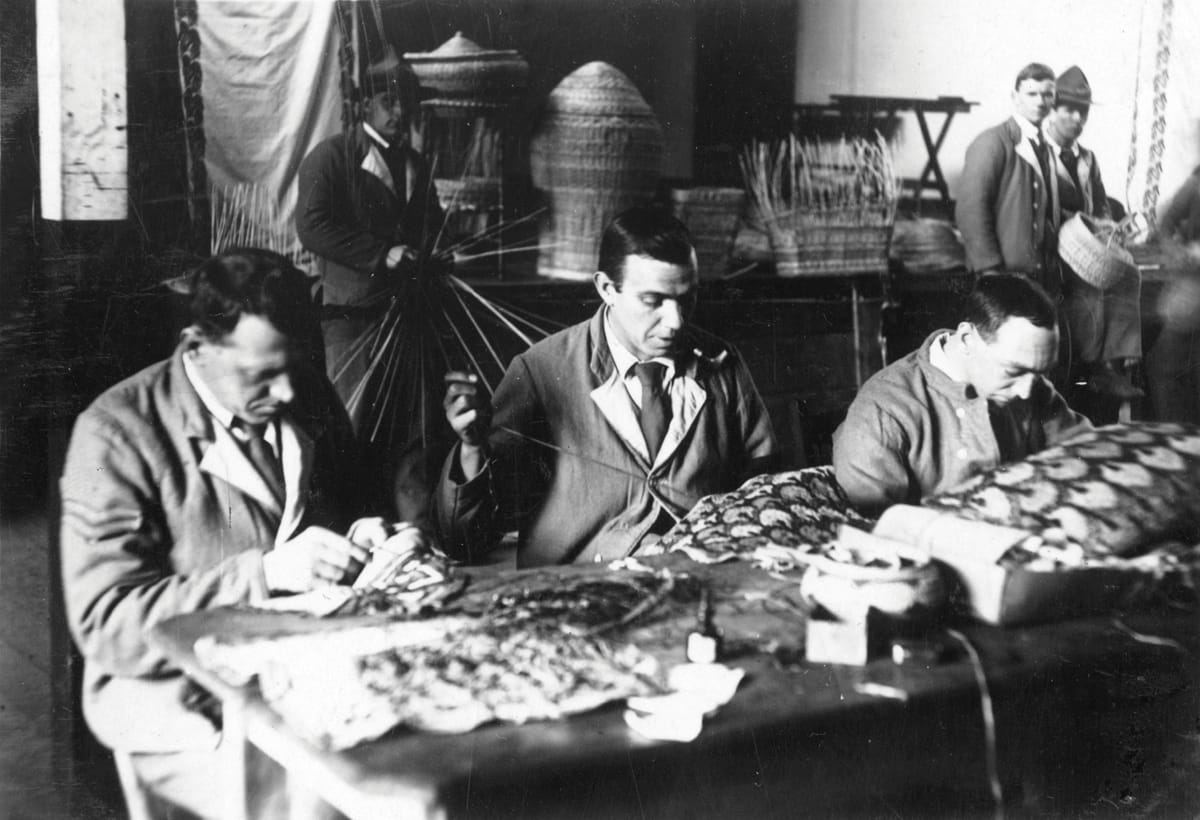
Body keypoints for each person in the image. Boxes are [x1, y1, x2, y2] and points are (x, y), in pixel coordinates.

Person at [59, 249, 407, 818]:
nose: (289, 394)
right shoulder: (117, 432)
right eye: (261, 376)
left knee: (418, 779)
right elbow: (105, 622)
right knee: (317, 803)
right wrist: (264, 574)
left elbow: (352, 512)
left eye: (292, 369)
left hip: (305, 676)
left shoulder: (306, 394)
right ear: (197, 346)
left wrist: (371, 538)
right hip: (182, 699)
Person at [436, 206, 779, 566]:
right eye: (653, 301)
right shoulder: (539, 370)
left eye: (687, 298)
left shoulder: (722, 364)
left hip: (696, 576)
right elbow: (461, 542)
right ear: (606, 288)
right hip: (579, 586)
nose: (675, 322)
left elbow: (765, 491)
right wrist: (472, 448)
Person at [295, 51, 446, 522]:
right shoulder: (333, 156)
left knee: (410, 423)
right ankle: (348, 527)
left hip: (408, 313)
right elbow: (312, 225)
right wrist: (382, 253)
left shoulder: (417, 165)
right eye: (388, 101)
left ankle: (409, 526)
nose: (399, 112)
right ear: (364, 106)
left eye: (407, 103)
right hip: (354, 317)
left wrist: (441, 248)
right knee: (353, 422)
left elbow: (430, 222)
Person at [832, 273, 1091, 515]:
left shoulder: (1033, 388)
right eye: (1013, 372)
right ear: (967, 338)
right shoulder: (882, 413)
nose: (1027, 392)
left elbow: (1090, 458)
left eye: (1040, 373)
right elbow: (874, 535)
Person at [1043, 65, 1142, 399]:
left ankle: (1114, 363)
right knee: (1091, 286)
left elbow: (1100, 206)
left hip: (1084, 244)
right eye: (1069, 109)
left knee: (1128, 274)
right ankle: (1093, 368)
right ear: (1052, 110)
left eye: (1082, 112)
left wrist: (1107, 227)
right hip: (1053, 244)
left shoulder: (1088, 158)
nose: (1076, 119)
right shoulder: (1039, 154)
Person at [956, 63, 1061, 295]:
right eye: (1032, 94)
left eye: (1047, 94)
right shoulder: (992, 142)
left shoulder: (1048, 147)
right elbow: (970, 210)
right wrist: (990, 270)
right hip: (1002, 275)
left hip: (1039, 277)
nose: (1040, 102)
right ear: (1015, 97)